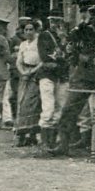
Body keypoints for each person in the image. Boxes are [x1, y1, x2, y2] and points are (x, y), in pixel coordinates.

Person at [50, 2, 95, 156]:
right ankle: (63, 144)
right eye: (93, 13)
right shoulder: (82, 31)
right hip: (83, 77)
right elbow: (71, 48)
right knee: (69, 109)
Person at [36, 15, 67, 150]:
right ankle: (44, 142)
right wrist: (60, 59)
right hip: (47, 75)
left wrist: (64, 41)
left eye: (58, 21)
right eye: (53, 21)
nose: (55, 24)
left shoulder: (65, 36)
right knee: (48, 108)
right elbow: (45, 57)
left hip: (61, 76)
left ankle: (52, 142)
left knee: (60, 108)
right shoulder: (44, 36)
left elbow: (69, 56)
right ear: (49, 22)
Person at [14, 21, 42, 146]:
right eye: (26, 30)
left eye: (31, 29)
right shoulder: (23, 44)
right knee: (21, 102)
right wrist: (23, 72)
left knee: (32, 104)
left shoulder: (39, 43)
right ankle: (21, 135)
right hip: (24, 74)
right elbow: (19, 61)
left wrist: (32, 72)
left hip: (36, 74)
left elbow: (42, 60)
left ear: (35, 31)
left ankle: (32, 135)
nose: (28, 32)